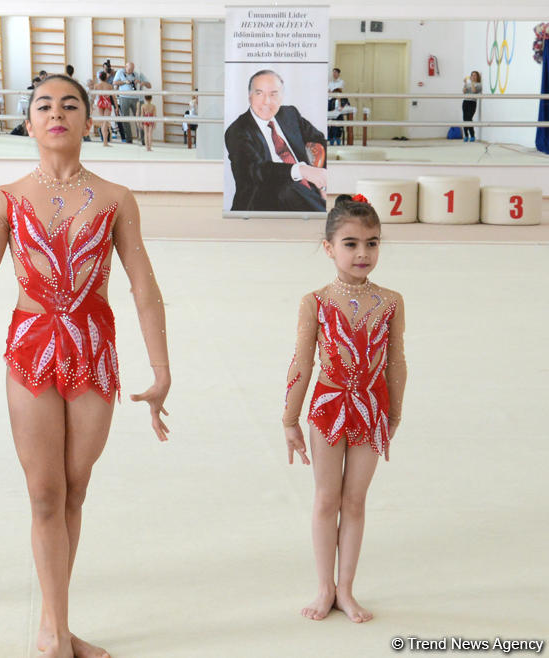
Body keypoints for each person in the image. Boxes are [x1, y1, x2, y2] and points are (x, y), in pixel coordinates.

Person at [0, 74, 171, 658]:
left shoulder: (116, 198)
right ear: (28, 123)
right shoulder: (7, 198)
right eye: (44, 105)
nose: (57, 113)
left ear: (90, 122)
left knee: (75, 490)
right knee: (44, 493)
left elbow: (144, 287)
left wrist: (161, 369)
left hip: (94, 349)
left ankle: (58, 625)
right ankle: (53, 634)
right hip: (31, 350)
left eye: (71, 105)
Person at [282, 194, 406, 624]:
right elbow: (301, 362)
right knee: (325, 498)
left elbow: (396, 361)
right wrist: (289, 419)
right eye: (350, 243)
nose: (362, 253)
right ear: (329, 247)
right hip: (327, 408)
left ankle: (346, 589)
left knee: (354, 500)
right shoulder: (315, 301)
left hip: (371, 409)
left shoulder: (390, 301)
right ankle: (323, 588)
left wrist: (394, 413)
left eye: (372, 243)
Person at [224, 69, 328, 212]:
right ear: (249, 97)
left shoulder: (290, 114)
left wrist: (320, 178)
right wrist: (301, 170)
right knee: (288, 187)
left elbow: (319, 140)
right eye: (259, 93)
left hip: (307, 192)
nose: (267, 101)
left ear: (282, 96)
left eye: (273, 94)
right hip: (263, 201)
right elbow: (257, 170)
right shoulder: (237, 131)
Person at [111, 62, 151, 143]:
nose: (131, 71)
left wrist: (141, 82)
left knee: (140, 119)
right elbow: (114, 82)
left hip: (137, 98)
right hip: (124, 98)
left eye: (132, 69)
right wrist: (125, 82)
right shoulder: (120, 72)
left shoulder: (137, 74)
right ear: (125, 67)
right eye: (129, 69)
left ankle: (143, 140)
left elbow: (149, 85)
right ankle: (129, 139)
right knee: (125, 119)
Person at [91, 70, 115, 146]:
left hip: (100, 102)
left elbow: (93, 97)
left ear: (99, 78)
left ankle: (104, 141)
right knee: (105, 122)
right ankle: (105, 142)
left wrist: (91, 105)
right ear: (106, 78)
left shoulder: (96, 86)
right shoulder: (109, 86)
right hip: (107, 103)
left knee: (103, 122)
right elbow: (113, 97)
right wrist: (116, 107)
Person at [462, 70, 482, 142]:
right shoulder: (468, 84)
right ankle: (466, 136)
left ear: (477, 77)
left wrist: (472, 83)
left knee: (469, 119)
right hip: (465, 102)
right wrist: (465, 83)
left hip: (472, 102)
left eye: (475, 75)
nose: (473, 77)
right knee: (465, 119)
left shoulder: (479, 84)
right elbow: (464, 92)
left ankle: (472, 135)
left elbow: (474, 91)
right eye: (472, 75)